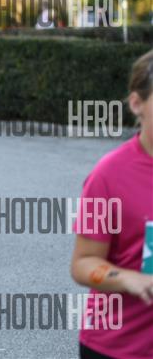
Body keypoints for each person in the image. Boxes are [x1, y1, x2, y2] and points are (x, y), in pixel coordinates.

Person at [70, 49, 153, 359]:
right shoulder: (110, 175)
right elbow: (83, 264)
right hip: (118, 346)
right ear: (136, 104)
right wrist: (127, 278)